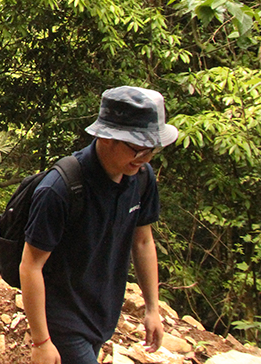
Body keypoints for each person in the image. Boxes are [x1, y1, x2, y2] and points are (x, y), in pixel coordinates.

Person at [19, 86, 177, 364]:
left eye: (152, 150)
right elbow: (30, 265)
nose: (145, 159)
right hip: (62, 320)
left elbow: (143, 241)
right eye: (138, 149)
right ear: (107, 137)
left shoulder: (141, 178)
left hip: (103, 314)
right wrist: (41, 341)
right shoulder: (60, 188)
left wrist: (152, 308)